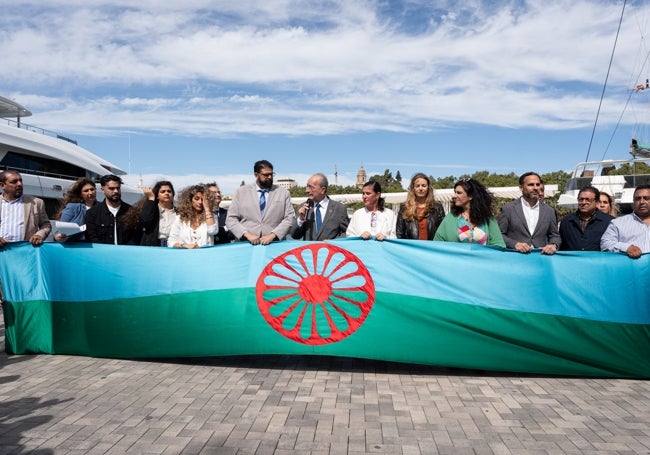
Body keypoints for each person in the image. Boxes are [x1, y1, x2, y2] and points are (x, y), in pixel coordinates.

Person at [226, 160, 295, 245]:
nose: (269, 177)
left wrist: (273, 235)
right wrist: (246, 234)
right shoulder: (241, 192)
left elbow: (289, 218)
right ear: (256, 175)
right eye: (266, 175)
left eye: (271, 174)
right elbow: (230, 219)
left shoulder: (283, 193)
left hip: (275, 245)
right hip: (245, 244)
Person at [498, 172, 561, 254]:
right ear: (521, 188)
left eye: (538, 184)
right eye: (531, 185)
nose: (535, 188)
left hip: (541, 258)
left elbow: (555, 236)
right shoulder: (508, 209)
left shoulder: (549, 211)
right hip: (516, 258)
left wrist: (553, 245)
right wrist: (515, 244)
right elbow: (499, 235)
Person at [433, 178, 505, 247]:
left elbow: (499, 245)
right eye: (455, 192)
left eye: (459, 193)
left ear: (470, 196)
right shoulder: (450, 218)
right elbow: (437, 244)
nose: (454, 196)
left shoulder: (488, 219)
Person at [0, 170, 51, 246]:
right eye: (14, 182)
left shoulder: (36, 203)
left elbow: (46, 225)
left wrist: (40, 235)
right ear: (2, 185)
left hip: (25, 251)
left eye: (20, 181)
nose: (19, 184)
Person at [85, 174, 139, 245]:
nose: (116, 191)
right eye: (111, 188)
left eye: (118, 188)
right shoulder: (92, 213)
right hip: (102, 254)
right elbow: (92, 238)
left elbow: (136, 237)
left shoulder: (131, 211)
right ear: (102, 189)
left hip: (126, 253)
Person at [292, 173, 349, 240]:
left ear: (323, 189)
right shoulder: (302, 208)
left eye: (311, 187)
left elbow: (347, 233)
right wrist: (300, 220)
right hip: (310, 250)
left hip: (331, 249)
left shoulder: (339, 208)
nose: (307, 190)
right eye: (307, 186)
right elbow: (294, 236)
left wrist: (334, 243)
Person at [601, 184, 650, 258]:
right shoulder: (617, 223)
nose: (642, 202)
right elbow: (605, 244)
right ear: (633, 201)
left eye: (646, 198)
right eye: (638, 199)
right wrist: (626, 248)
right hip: (630, 268)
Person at [559, 186, 613, 251]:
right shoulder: (567, 221)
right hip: (572, 260)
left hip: (598, 260)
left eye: (588, 199)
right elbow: (561, 244)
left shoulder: (609, 222)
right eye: (581, 199)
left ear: (596, 202)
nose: (584, 202)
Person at [396, 173, 445, 240]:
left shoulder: (437, 207)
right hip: (411, 248)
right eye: (417, 186)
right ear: (413, 188)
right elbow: (400, 233)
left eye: (424, 185)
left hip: (432, 248)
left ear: (428, 188)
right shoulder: (404, 208)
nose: (420, 188)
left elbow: (443, 232)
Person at [168, 184, 218, 248]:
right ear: (190, 200)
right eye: (196, 199)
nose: (200, 202)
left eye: (203, 200)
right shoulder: (179, 219)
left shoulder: (212, 217)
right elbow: (171, 242)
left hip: (206, 255)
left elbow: (213, 231)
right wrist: (184, 245)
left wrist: (207, 209)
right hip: (186, 255)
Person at [129, 181, 176, 247]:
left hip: (173, 245)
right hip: (154, 244)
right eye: (163, 192)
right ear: (157, 196)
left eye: (169, 191)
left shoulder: (179, 212)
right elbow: (145, 221)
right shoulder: (151, 209)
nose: (166, 193)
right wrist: (151, 198)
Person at [53, 177, 98, 242]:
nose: (90, 193)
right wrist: (58, 236)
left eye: (92, 189)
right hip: (75, 246)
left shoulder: (101, 207)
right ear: (80, 194)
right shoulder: (72, 207)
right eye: (86, 191)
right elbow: (60, 230)